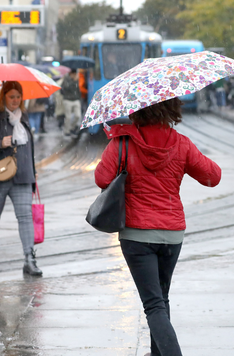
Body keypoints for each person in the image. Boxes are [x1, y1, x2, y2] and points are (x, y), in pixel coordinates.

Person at [94, 98, 221, 356]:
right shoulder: (181, 143)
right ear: (171, 108)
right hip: (172, 235)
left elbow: (101, 178)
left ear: (136, 111)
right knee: (161, 301)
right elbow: (213, 177)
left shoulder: (123, 142)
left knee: (153, 305)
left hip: (136, 235)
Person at [0, 81, 42, 276]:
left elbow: (29, 146)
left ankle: (29, 258)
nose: (15, 100)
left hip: (22, 175)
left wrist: (33, 169)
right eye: (11, 96)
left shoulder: (24, 115)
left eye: (18, 97)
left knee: (25, 216)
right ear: (3, 96)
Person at [61, 68, 82, 136]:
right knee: (68, 117)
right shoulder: (66, 79)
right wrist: (73, 81)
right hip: (67, 99)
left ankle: (72, 128)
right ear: (71, 74)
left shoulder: (78, 79)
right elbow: (66, 88)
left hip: (76, 99)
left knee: (78, 115)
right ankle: (67, 131)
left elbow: (78, 89)